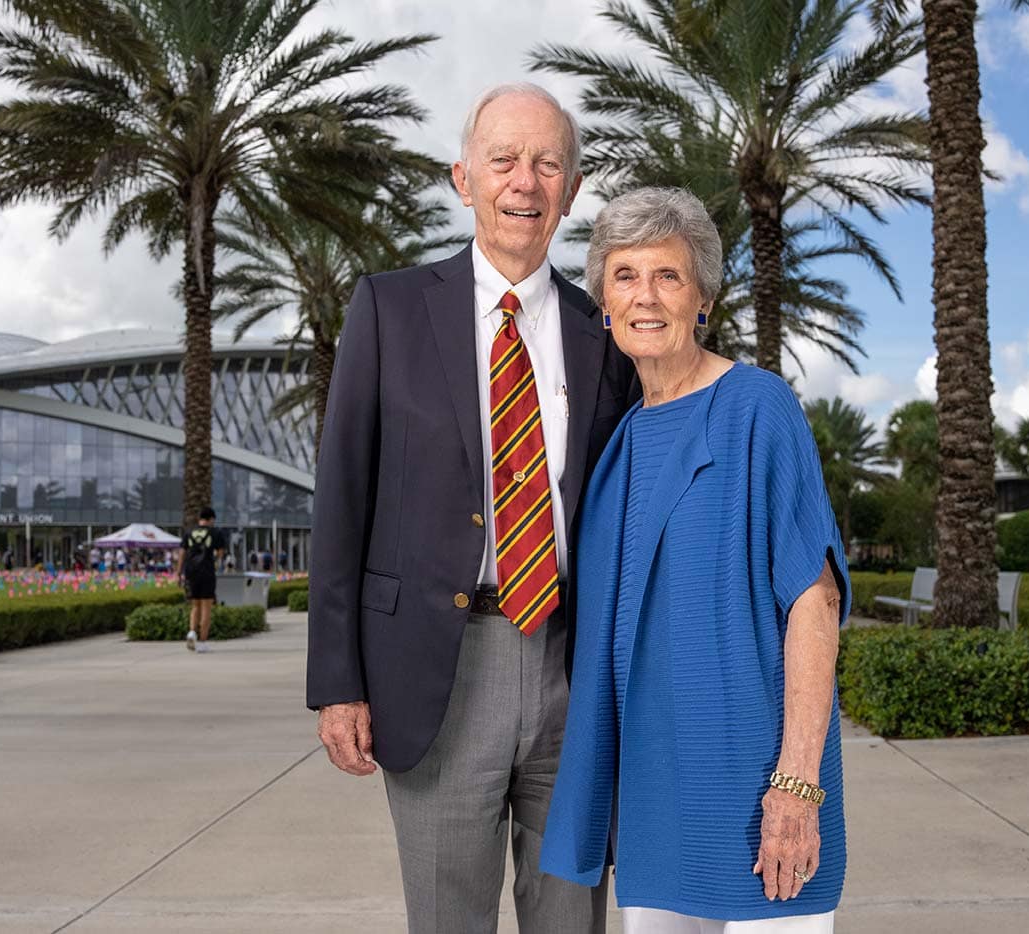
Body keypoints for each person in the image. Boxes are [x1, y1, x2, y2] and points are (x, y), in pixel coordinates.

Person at [307, 82, 635, 934]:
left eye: (547, 163)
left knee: (571, 921)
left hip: (572, 666)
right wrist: (337, 683)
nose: (524, 182)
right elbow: (342, 496)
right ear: (464, 178)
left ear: (568, 186)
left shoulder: (606, 333)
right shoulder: (389, 307)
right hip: (434, 670)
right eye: (504, 160)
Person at [539, 188, 851, 933]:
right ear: (603, 304)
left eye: (668, 276)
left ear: (703, 297)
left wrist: (796, 786)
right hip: (654, 793)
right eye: (624, 276)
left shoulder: (755, 407)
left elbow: (815, 599)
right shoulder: (615, 446)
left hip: (759, 787)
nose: (645, 296)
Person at [180, 507, 226, 653]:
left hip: (191, 572)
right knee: (206, 607)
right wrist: (215, 559)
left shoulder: (189, 532)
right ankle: (203, 643)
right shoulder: (216, 532)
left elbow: (182, 552)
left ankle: (192, 632)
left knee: (195, 606)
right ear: (211, 519)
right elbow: (220, 552)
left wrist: (178, 572)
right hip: (206, 571)